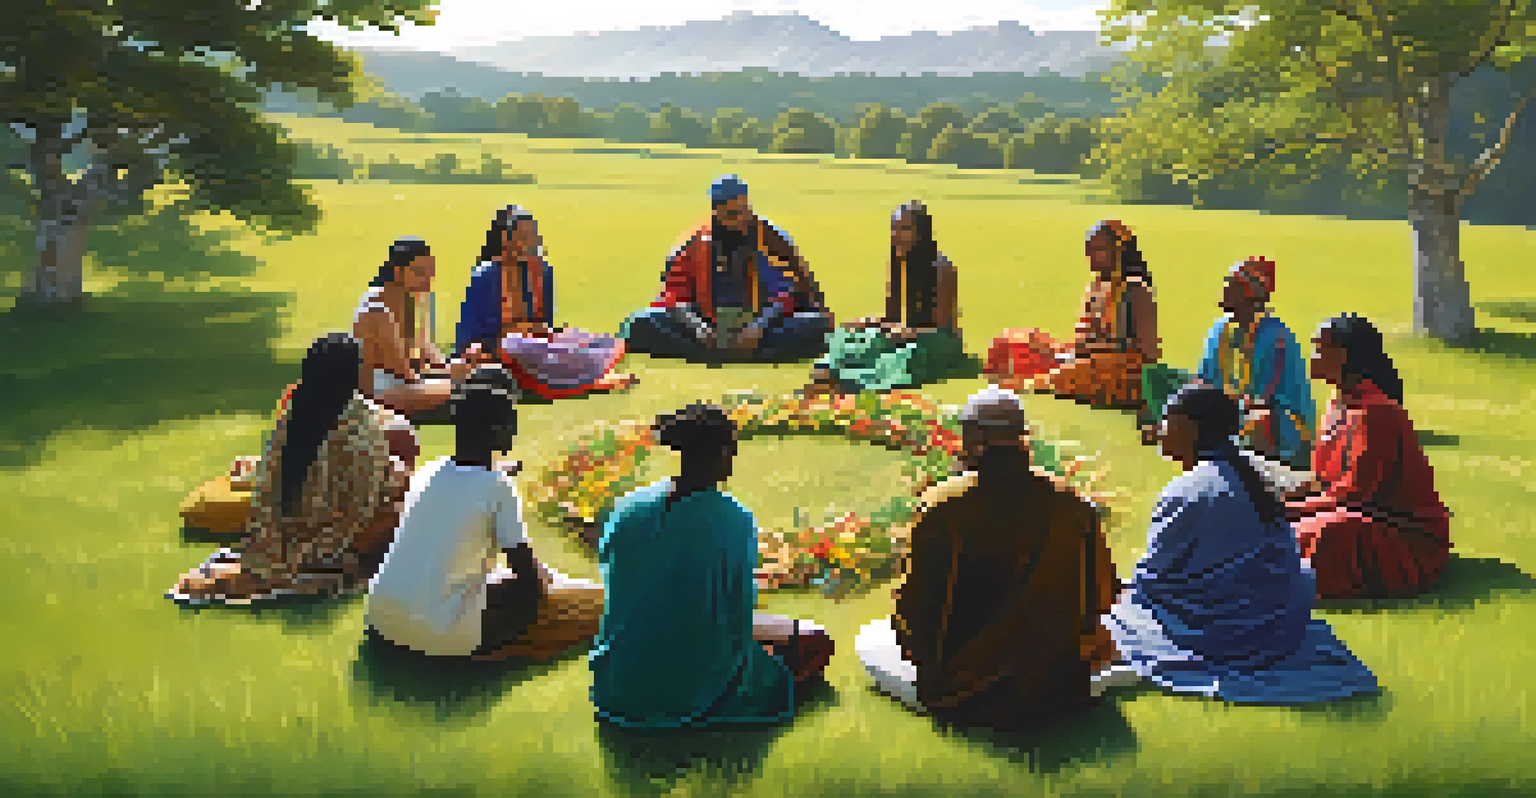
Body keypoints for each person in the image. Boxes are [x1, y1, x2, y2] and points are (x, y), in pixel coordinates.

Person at [854, 388, 1121, 730]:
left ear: (976, 436)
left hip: (966, 688)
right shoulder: (1073, 504)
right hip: (1059, 682)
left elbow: (917, 610)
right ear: (1021, 437)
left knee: (872, 641)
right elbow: (1102, 597)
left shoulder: (944, 504)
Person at [1104, 384, 1379, 703]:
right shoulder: (1249, 473)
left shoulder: (1189, 489)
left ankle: (1143, 662)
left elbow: (1155, 577)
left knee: (1119, 613)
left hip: (1234, 632)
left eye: (1167, 421)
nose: (1159, 429)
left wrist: (1120, 591)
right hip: (1279, 623)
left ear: (1191, 429)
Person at [590, 403, 835, 728]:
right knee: (815, 640)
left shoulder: (627, 507)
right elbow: (737, 612)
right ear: (722, 452)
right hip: (689, 688)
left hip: (616, 684)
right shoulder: (733, 519)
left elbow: (615, 578)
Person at [366, 367, 605, 659]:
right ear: (494, 431)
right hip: (433, 635)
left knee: (490, 574)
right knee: (545, 597)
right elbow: (528, 580)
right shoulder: (497, 487)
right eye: (510, 422)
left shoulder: (430, 471)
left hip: (381, 618)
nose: (515, 430)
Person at [168, 333, 412, 604]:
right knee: (404, 510)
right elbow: (361, 507)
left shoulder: (295, 412)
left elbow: (269, 485)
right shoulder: (360, 427)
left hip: (277, 536)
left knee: (400, 485)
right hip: (330, 546)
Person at [1285, 314, 1451, 600]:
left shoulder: (1376, 412)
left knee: (1322, 533)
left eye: (1320, 349)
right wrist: (1282, 498)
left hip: (1402, 533)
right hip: (1350, 511)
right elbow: (1322, 481)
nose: (1312, 357)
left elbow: (1357, 495)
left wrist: (1289, 510)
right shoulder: (1336, 406)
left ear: (1346, 355)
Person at [619, 175, 835, 363]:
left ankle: (721, 354)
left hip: (763, 327)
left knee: (817, 325)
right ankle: (739, 353)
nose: (740, 220)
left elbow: (788, 292)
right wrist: (698, 327)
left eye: (744, 211)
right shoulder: (693, 242)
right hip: (707, 326)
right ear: (715, 212)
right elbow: (673, 295)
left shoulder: (769, 238)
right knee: (639, 323)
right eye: (732, 214)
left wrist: (758, 328)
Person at [1139, 258, 1317, 469]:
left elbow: (1264, 399)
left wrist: (1216, 407)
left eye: (1234, 285)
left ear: (1253, 295)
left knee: (1257, 421)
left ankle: (1188, 434)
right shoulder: (1219, 329)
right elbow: (1205, 379)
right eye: (1227, 282)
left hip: (1273, 416)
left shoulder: (1277, 338)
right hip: (1226, 402)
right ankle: (1173, 428)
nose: (1224, 289)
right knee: (1155, 376)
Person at [456, 205, 637, 400]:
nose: (527, 242)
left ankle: (583, 373)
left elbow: (546, 324)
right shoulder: (485, 275)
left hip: (537, 344)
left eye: (531, 236)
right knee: (518, 345)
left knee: (593, 341)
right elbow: (473, 330)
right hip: (500, 346)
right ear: (506, 240)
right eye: (521, 236)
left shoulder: (543, 272)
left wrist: (547, 332)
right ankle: (593, 381)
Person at [984, 220, 1159, 408]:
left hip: (1120, 370)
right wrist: (1057, 350)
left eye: (1100, 249)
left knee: (1072, 372)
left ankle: (1034, 382)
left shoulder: (1136, 290)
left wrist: (1098, 351)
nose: (1091, 256)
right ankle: (1040, 376)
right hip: (1082, 358)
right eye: (1089, 249)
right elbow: (1081, 339)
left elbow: (1147, 353)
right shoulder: (1095, 287)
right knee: (1013, 342)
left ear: (1120, 252)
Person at [809, 201, 970, 394]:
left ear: (921, 233)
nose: (897, 235)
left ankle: (854, 383)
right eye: (894, 229)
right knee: (855, 336)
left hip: (937, 340)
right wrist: (870, 322)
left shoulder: (942, 269)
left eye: (905, 229)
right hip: (906, 334)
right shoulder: (898, 262)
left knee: (902, 356)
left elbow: (941, 327)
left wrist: (907, 332)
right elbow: (892, 317)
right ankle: (831, 370)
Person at [354, 237, 473, 424]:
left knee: (466, 378)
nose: (427, 280)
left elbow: (420, 346)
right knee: (464, 387)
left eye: (429, 273)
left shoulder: (407, 298)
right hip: (376, 390)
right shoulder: (378, 310)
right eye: (419, 273)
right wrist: (447, 375)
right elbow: (403, 371)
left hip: (400, 382)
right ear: (398, 272)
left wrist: (446, 367)